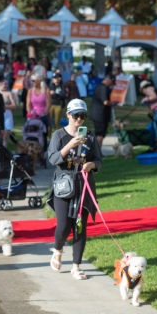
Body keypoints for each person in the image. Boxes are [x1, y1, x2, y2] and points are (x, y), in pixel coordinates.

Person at [47, 99, 103, 280]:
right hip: (63, 187)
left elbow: (99, 160)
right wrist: (70, 145)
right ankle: (57, 249)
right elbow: (53, 159)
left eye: (83, 116)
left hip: (83, 186)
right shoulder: (58, 136)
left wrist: (91, 165)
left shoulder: (91, 137)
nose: (80, 119)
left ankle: (76, 266)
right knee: (63, 225)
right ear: (68, 115)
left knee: (80, 227)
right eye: (76, 115)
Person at [89, 74, 119, 149]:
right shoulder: (104, 88)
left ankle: (95, 151)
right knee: (100, 134)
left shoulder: (98, 86)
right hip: (101, 115)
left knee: (97, 133)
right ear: (109, 80)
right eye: (112, 83)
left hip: (96, 114)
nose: (111, 85)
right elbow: (105, 102)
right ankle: (98, 153)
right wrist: (112, 103)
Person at [0, 77, 16, 147]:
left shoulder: (8, 93)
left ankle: (4, 153)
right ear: (0, 83)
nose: (6, 85)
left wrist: (5, 106)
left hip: (7, 115)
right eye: (4, 84)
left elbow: (14, 106)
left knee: (5, 136)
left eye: (7, 84)